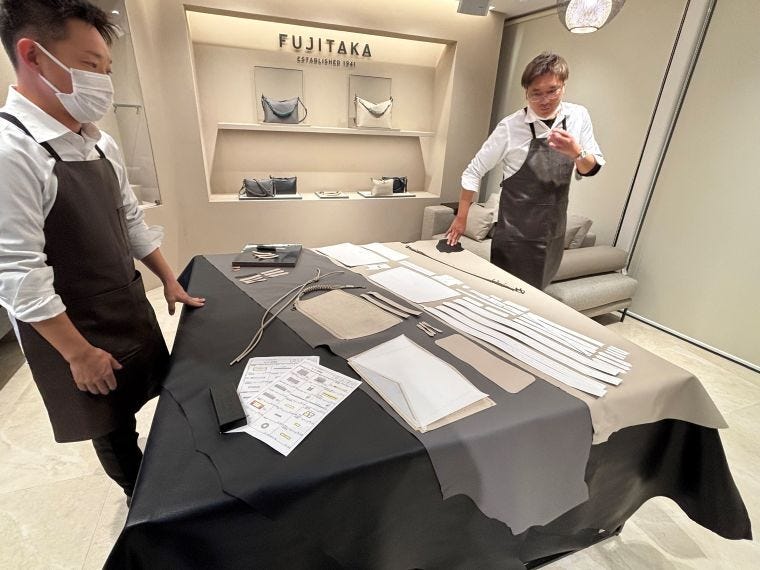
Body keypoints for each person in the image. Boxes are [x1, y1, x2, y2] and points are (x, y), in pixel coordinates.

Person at [0, 0, 204, 503]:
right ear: (33, 56)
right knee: (110, 426)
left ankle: (165, 476)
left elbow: (129, 219)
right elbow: (18, 273)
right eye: (91, 66)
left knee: (153, 392)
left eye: (108, 70)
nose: (103, 82)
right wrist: (78, 354)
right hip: (72, 327)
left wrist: (168, 278)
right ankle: (141, 500)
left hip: (123, 304)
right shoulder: (11, 152)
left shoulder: (99, 143)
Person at [447, 52, 605, 290]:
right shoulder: (511, 126)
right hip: (514, 237)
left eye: (552, 91)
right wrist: (461, 219)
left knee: (537, 294)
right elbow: (473, 172)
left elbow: (590, 169)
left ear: (563, 86)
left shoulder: (578, 116)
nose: (544, 100)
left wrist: (576, 152)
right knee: (506, 295)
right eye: (536, 93)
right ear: (526, 93)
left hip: (552, 236)